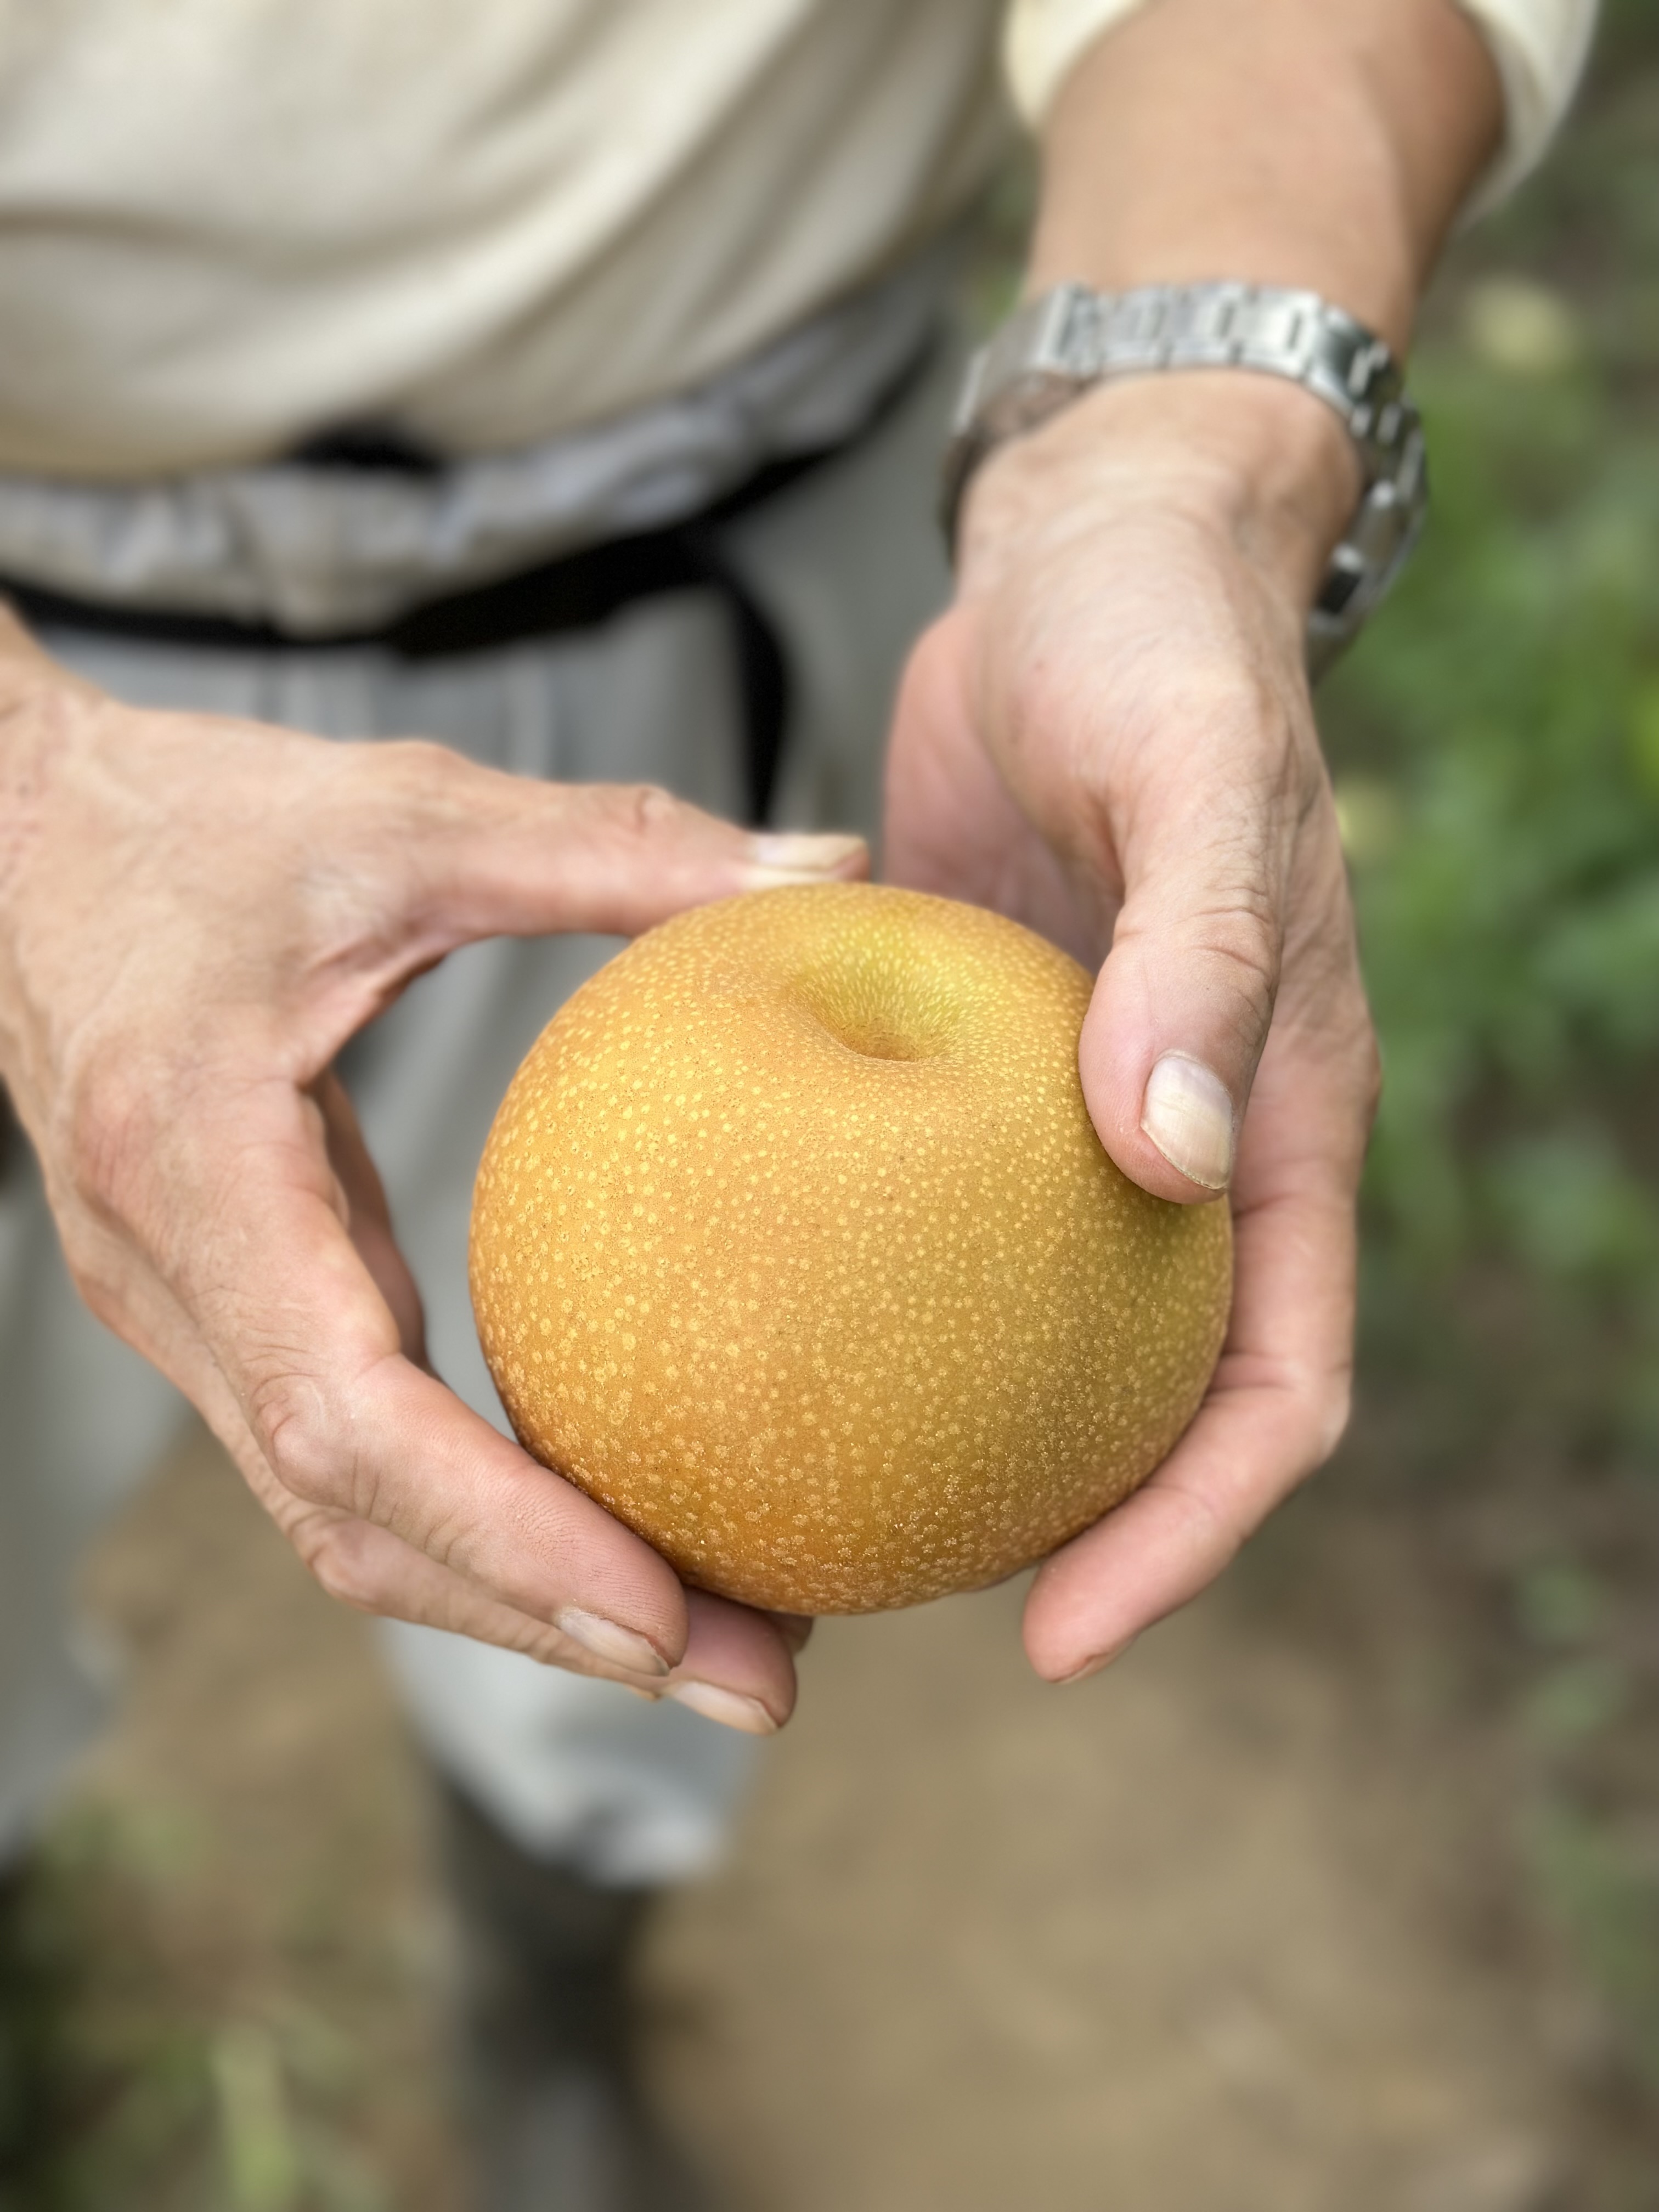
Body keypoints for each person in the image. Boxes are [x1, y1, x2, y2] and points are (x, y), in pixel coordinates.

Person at [0, 0, 1594, 2202]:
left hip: (765, 558)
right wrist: (30, 802)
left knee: (621, 1564)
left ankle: (550, 1956)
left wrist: (1171, 460)